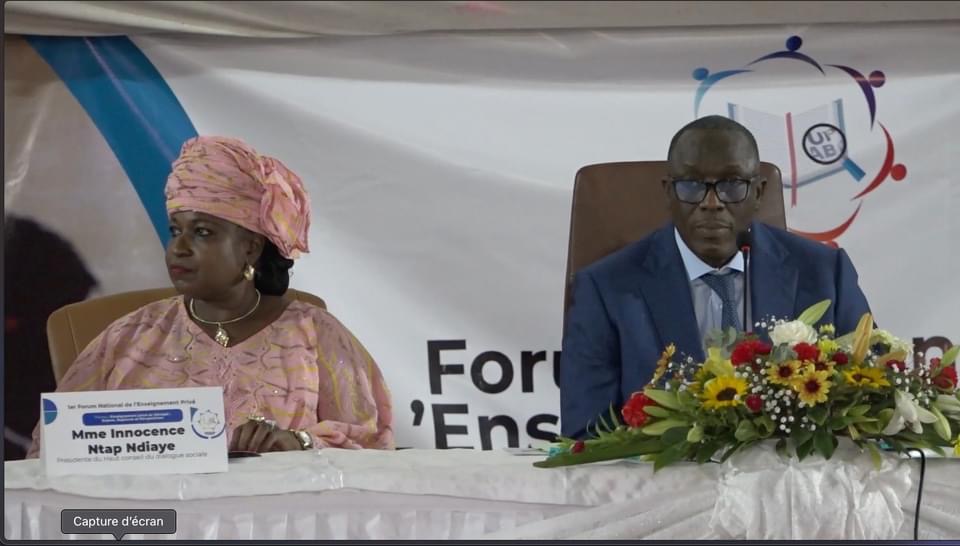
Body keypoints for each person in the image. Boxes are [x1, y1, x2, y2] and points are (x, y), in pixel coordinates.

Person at [27, 136, 394, 457]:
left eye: (202, 232)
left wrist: (298, 442)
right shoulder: (129, 338)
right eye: (176, 231)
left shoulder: (314, 335)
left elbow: (373, 445)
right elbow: (52, 448)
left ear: (251, 248)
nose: (179, 248)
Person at [559, 115, 871, 439]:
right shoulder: (606, 288)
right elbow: (587, 436)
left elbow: (871, 403)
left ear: (759, 192)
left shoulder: (824, 274)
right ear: (668, 193)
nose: (711, 203)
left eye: (732, 184)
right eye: (691, 185)